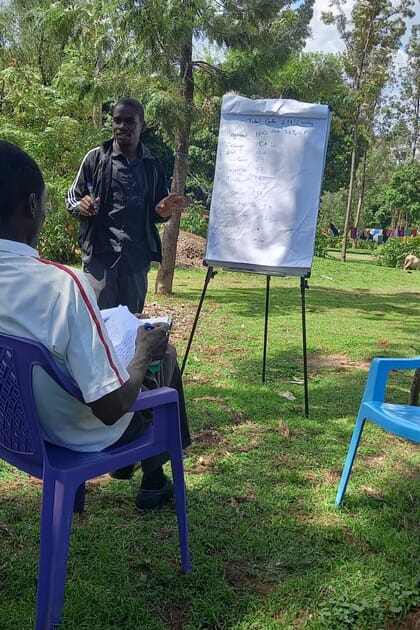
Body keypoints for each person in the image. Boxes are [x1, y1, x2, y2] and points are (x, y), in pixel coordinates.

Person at [0, 140, 190, 511]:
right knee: (161, 354)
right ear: (32, 205)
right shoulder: (61, 284)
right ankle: (154, 479)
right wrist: (140, 356)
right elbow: (110, 408)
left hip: (16, 430)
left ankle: (131, 478)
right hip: (79, 433)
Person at [66, 97, 188, 313]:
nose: (122, 126)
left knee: (131, 328)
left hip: (136, 261)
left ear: (142, 126)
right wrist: (82, 206)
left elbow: (161, 209)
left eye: (129, 121)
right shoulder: (96, 159)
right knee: (98, 326)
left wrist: (162, 212)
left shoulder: (152, 165)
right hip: (100, 260)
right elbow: (72, 199)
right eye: (117, 120)